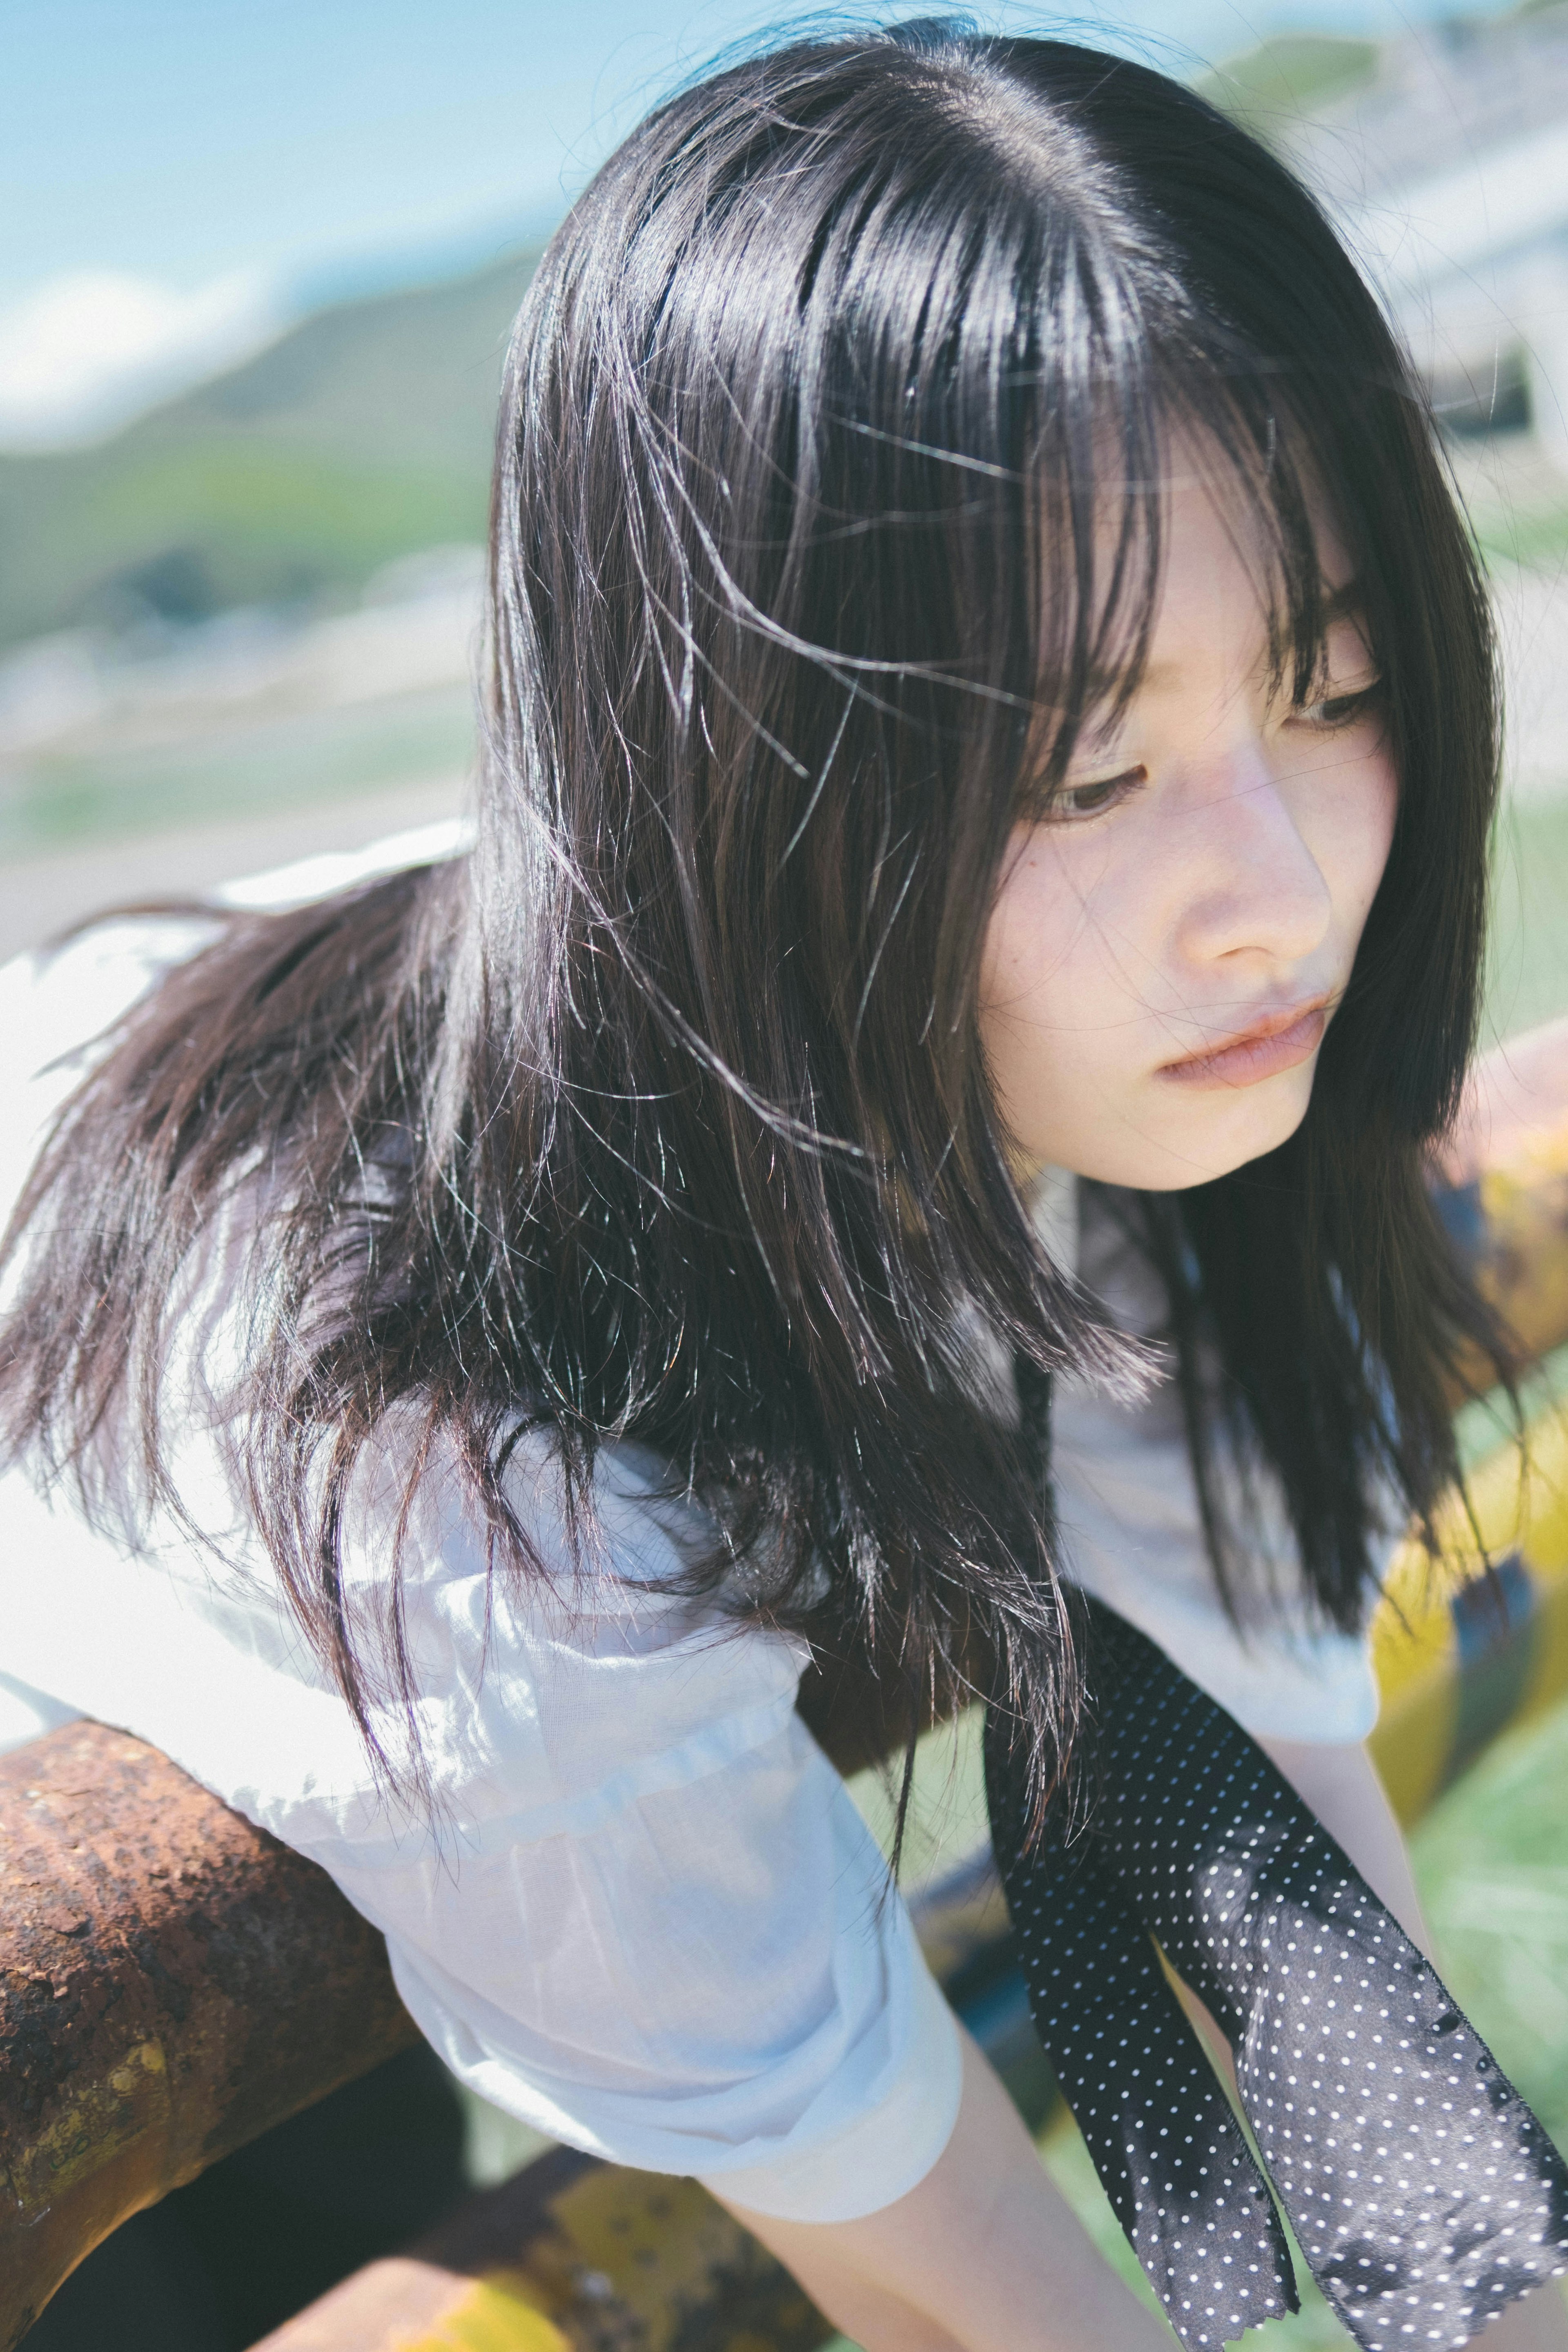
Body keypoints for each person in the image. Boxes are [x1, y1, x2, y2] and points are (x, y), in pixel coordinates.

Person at [1, 23, 1564, 2349]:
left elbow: (1304, 1853)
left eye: (1334, 688)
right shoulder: (446, 1451)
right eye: (1089, 769)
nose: (1275, 898)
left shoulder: (1084, 1055)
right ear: (743, 780)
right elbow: (959, 2289)